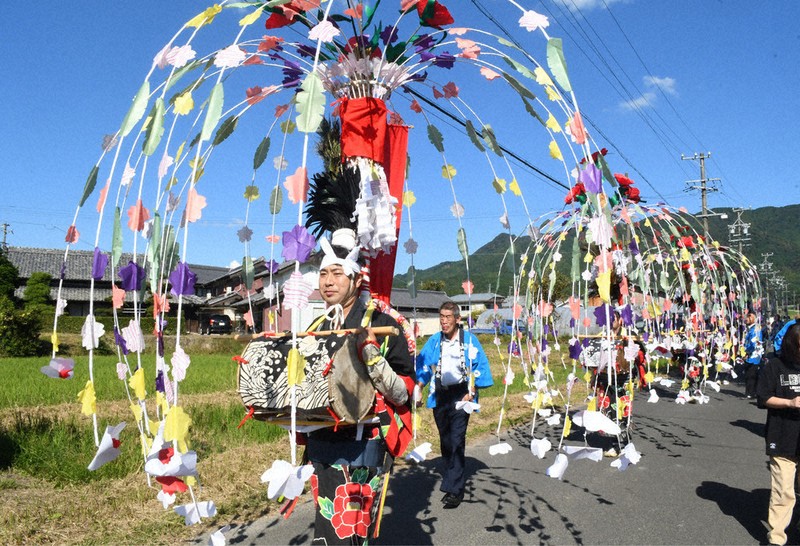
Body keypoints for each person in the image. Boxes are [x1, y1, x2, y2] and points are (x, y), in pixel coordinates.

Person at [303, 231, 415, 544]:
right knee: (327, 528)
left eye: (337, 273)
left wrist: (373, 357)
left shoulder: (383, 322)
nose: (328, 281)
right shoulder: (315, 327)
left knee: (351, 532)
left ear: (355, 280)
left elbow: (403, 391)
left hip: (361, 444)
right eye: (323, 273)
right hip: (322, 441)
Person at [415, 301, 493, 508]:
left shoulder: (469, 340)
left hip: (461, 396)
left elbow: (479, 368)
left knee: (457, 440)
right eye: (441, 316)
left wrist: (471, 393)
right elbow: (423, 365)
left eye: (448, 317)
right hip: (440, 395)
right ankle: (452, 476)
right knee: (446, 440)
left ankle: (454, 489)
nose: (444, 321)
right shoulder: (434, 340)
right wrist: (419, 387)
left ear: (458, 319)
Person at [757, 323, 800, 546]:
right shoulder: (775, 366)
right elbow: (763, 398)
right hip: (782, 435)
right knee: (783, 491)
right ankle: (777, 538)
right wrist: (789, 402)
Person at [743, 312, 764, 399]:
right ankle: (751, 392)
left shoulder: (755, 330)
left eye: (747, 318)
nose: (745, 319)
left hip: (753, 356)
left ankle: (751, 393)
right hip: (751, 355)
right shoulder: (751, 329)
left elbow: (754, 344)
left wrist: (747, 351)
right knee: (750, 374)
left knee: (751, 375)